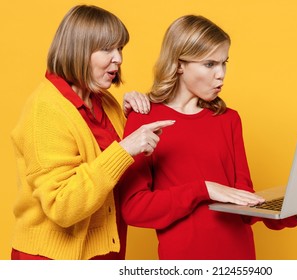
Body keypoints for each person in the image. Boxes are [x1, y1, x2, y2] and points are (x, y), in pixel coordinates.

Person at [120, 15, 297, 260]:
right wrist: (204, 189)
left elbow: (245, 205)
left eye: (224, 63)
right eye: (210, 64)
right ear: (179, 63)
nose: (221, 74)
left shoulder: (229, 120)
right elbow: (134, 209)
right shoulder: (144, 118)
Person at [10, 5, 174, 260]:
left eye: (120, 49)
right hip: (55, 259)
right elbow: (62, 205)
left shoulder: (105, 102)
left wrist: (131, 121)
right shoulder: (44, 111)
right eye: (107, 49)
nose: (118, 58)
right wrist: (125, 148)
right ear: (78, 50)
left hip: (103, 253)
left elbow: (117, 172)